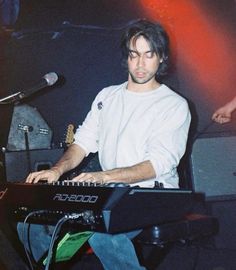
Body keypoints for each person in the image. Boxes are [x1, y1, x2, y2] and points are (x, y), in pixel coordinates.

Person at [18, 19, 191, 269]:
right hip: (111, 191)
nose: (140, 64)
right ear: (127, 57)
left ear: (162, 57)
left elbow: (157, 163)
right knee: (29, 220)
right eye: (134, 55)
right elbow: (82, 144)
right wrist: (57, 170)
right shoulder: (107, 96)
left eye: (149, 55)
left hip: (152, 193)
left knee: (102, 230)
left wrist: (101, 178)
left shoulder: (173, 105)